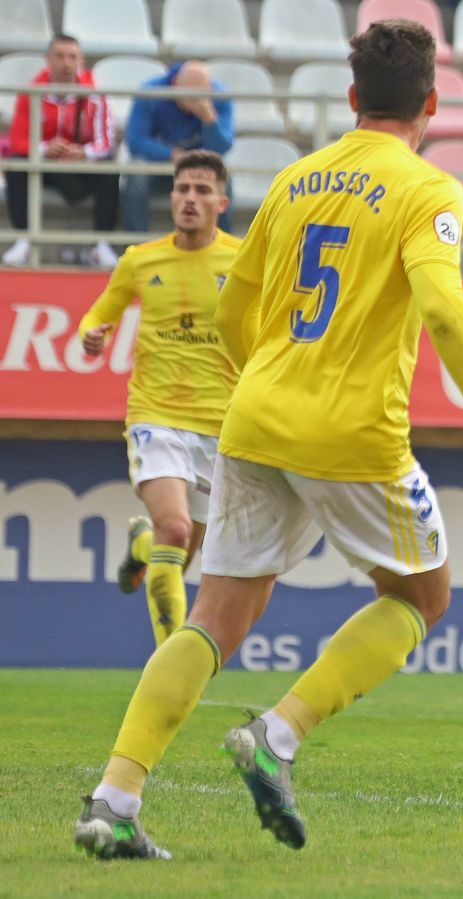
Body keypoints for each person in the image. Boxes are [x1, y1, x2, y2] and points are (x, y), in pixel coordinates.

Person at [72, 19, 463, 860]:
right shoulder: (428, 188)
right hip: (353, 434)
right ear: (431, 103)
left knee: (212, 617)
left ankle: (114, 798)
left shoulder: (293, 180)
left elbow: (235, 310)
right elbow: (442, 308)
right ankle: (276, 736)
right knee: (422, 598)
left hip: (252, 418)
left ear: (352, 99)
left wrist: (265, 382)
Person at [76, 150, 239, 648]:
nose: (190, 199)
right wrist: (91, 334)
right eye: (183, 189)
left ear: (221, 202)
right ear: (171, 197)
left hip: (222, 425)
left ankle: (142, 545)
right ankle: (171, 662)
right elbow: (98, 313)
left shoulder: (245, 260)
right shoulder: (140, 260)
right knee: (173, 527)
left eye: (202, 191)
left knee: (182, 547)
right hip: (156, 415)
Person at [2, 34, 118, 269]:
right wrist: (45, 149)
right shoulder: (31, 93)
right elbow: (17, 140)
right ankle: (25, 239)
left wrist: (83, 153)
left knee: (111, 170)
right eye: (60, 56)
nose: (66, 63)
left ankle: (101, 244)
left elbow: (105, 142)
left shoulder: (94, 95)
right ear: (48, 59)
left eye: (72, 57)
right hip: (45, 165)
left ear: (81, 60)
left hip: (80, 167)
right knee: (16, 165)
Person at [122, 61, 235, 236]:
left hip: (200, 164)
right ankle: (135, 244)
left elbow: (222, 147)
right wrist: (172, 154)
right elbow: (135, 141)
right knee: (136, 174)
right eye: (191, 95)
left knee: (223, 177)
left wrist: (209, 120)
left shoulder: (219, 97)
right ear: (175, 84)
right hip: (160, 163)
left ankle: (224, 247)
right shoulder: (151, 92)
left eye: (202, 94)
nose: (197, 100)